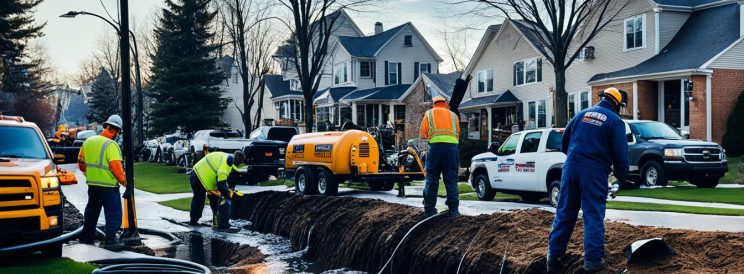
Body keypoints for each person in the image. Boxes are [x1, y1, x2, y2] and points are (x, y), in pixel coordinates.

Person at [547, 87, 630, 273]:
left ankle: (554, 258)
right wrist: (621, 177)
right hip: (594, 171)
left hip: (570, 168)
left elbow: (564, 142)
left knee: (565, 212)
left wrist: (575, 158)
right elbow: (621, 154)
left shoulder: (581, 115)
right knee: (593, 215)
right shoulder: (615, 121)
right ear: (617, 104)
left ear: (602, 98)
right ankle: (593, 263)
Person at [77, 115, 126, 251]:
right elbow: (116, 168)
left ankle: (87, 236)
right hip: (109, 187)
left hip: (92, 185)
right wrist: (125, 183)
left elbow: (81, 164)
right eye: (118, 132)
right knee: (113, 214)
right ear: (115, 130)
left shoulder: (88, 142)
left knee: (92, 211)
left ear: (106, 126)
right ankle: (110, 240)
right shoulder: (111, 145)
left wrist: (91, 175)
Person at [419, 95, 461, 218]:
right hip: (452, 149)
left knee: (432, 178)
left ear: (434, 104)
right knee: (451, 179)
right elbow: (457, 134)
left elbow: (422, 134)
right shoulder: (453, 116)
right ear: (445, 103)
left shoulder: (430, 113)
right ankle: (454, 210)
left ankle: (429, 210)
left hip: (436, 148)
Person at [189, 150, 245, 231]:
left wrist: (226, 189)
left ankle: (210, 221)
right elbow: (221, 184)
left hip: (198, 174)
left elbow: (222, 180)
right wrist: (227, 195)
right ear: (237, 160)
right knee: (201, 198)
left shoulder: (226, 157)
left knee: (210, 198)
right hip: (199, 177)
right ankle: (221, 224)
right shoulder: (228, 162)